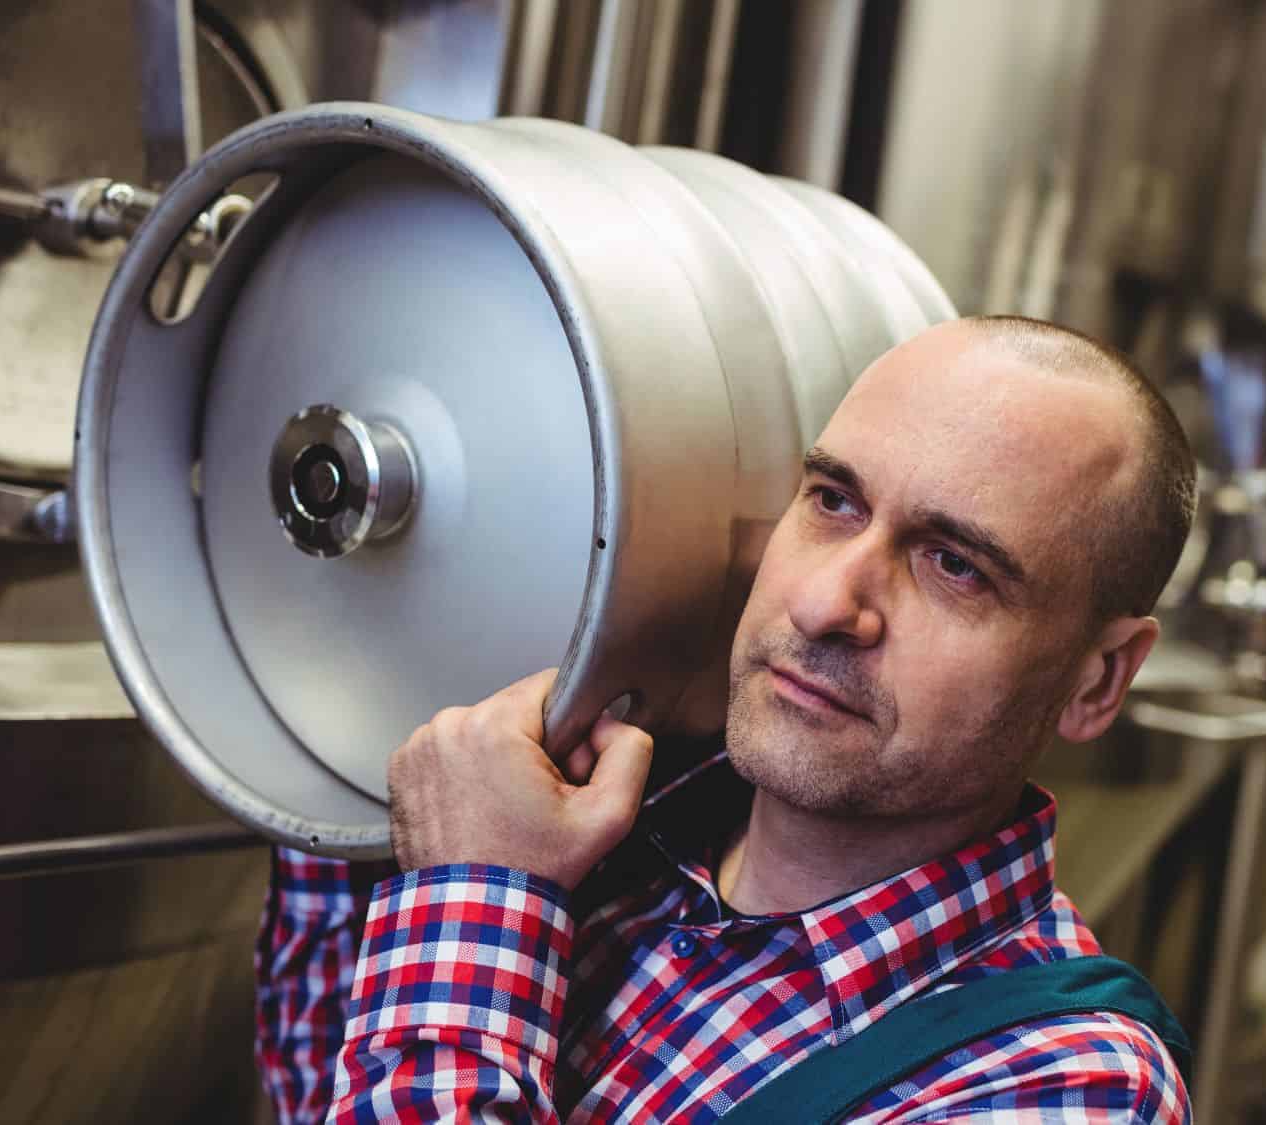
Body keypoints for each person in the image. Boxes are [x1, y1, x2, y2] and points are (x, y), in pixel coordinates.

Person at [256, 315, 1198, 1123]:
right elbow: (323, 1092)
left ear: (1097, 678)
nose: (829, 603)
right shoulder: (613, 859)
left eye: (955, 565)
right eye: (833, 501)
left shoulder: (1068, 1083)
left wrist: (469, 903)